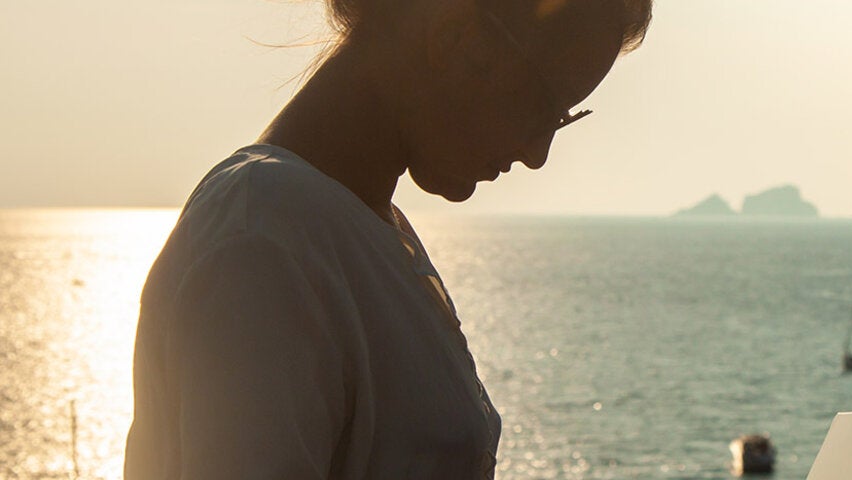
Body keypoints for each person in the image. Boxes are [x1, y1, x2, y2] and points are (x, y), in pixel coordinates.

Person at [124, 0, 652, 477]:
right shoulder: (267, 236)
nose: (538, 154)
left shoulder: (347, 226)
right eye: (544, 107)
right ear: (456, 37)